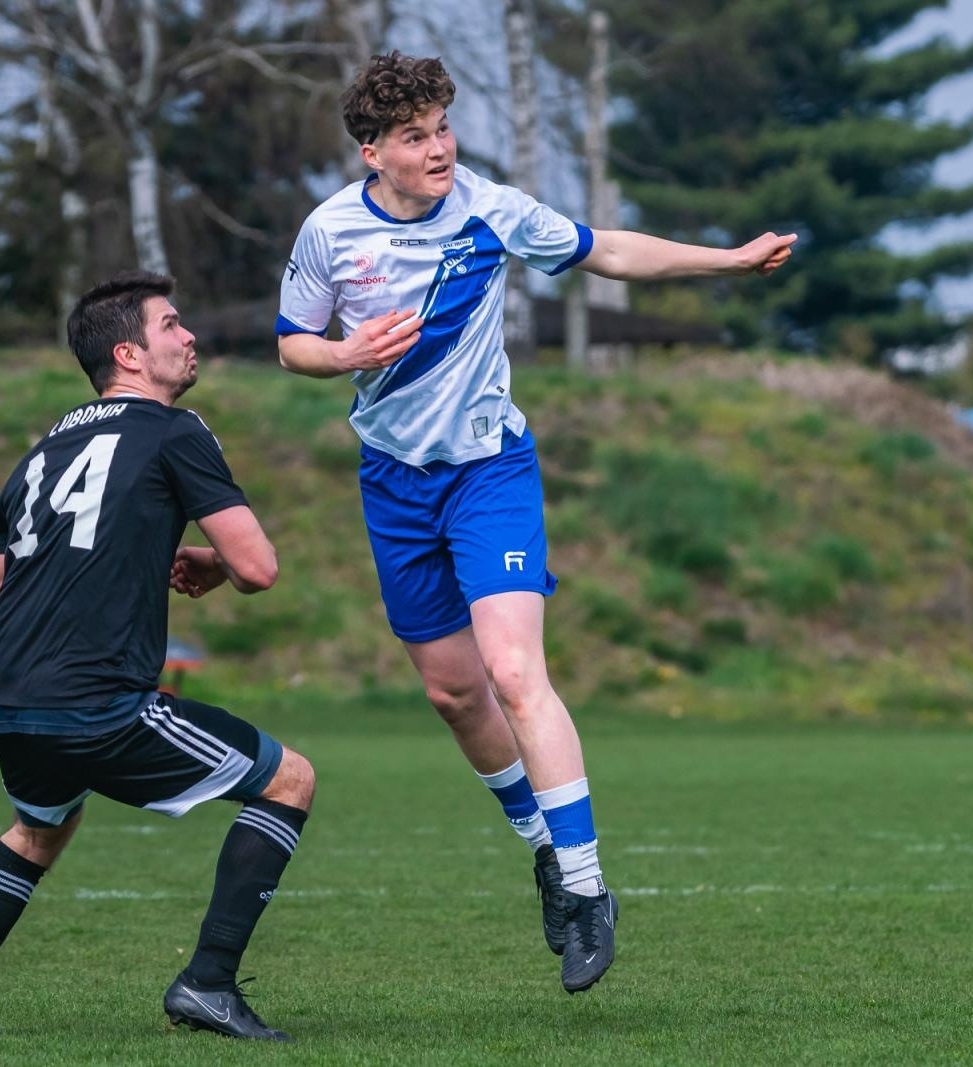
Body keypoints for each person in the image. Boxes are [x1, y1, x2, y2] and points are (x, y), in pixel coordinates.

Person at [274, 51, 795, 994]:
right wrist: (342, 351)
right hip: (394, 484)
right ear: (372, 151)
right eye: (414, 136)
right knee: (454, 695)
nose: (438, 149)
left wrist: (727, 260)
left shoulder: (489, 208)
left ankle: (589, 888)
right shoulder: (328, 232)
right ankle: (545, 847)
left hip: (489, 473)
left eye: (442, 127)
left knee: (515, 672)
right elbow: (292, 343)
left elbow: (608, 249)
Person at [0, 271, 312, 1042]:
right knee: (289, 780)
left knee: (38, 829)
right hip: (98, 703)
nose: (191, 335)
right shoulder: (177, 430)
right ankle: (207, 982)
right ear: (131, 354)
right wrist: (223, 561)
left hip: (9, 703)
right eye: (173, 324)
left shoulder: (45, 449)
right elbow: (261, 568)